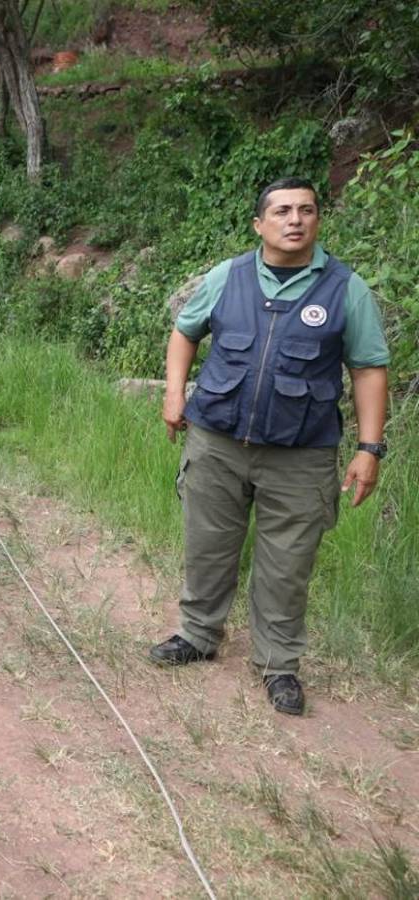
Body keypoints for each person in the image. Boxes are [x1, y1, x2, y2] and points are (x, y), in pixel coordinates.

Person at [152, 176, 390, 716]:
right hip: (216, 441)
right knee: (207, 545)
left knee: (287, 565)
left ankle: (278, 665)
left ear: (318, 221)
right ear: (260, 224)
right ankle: (198, 635)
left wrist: (369, 448)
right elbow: (185, 331)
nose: (295, 220)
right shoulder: (226, 276)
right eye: (281, 211)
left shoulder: (344, 287)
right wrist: (173, 394)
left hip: (302, 454)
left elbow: (369, 368)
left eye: (306, 210)